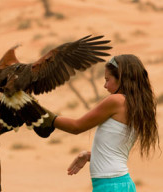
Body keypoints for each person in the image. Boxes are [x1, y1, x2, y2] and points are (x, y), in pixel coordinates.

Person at [43, 54, 160, 191]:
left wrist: (39, 114)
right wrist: (90, 156)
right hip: (122, 184)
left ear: (121, 78)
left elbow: (76, 127)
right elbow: (116, 150)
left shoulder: (116, 101)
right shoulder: (136, 105)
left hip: (110, 186)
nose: (105, 85)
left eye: (107, 79)